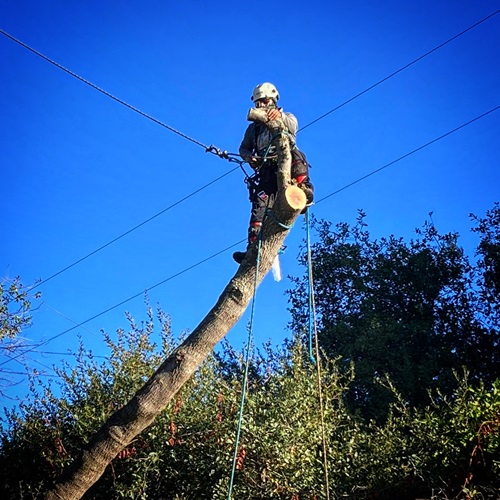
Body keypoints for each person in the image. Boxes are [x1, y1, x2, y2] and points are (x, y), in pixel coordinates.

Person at [233, 82, 314, 264]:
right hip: (266, 167)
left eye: (264, 101)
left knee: (298, 157)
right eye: (258, 102)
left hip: (286, 160)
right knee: (259, 203)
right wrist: (249, 157)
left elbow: (293, 126)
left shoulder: (287, 116)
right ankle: (253, 247)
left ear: (273, 100)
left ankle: (304, 190)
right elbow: (243, 148)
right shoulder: (253, 129)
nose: (261, 105)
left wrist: (279, 118)